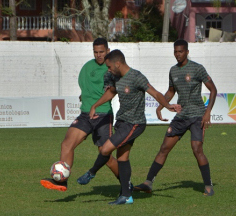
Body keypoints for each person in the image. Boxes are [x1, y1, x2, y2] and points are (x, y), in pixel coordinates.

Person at [77, 49, 181, 205]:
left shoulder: (136, 77)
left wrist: (167, 105)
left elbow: (155, 93)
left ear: (118, 63)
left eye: (110, 67)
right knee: (122, 158)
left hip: (134, 123)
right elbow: (111, 92)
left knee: (105, 149)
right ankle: (126, 196)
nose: (108, 70)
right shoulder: (115, 77)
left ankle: (91, 173)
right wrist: (95, 105)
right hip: (122, 121)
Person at [133, 39, 217, 196]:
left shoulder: (198, 69)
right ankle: (148, 183)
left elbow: (213, 89)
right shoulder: (173, 70)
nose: (177, 54)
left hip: (197, 115)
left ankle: (208, 185)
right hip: (181, 116)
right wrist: (161, 106)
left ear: (187, 52)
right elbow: (171, 91)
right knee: (164, 148)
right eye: (175, 51)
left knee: (197, 148)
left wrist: (207, 112)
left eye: (181, 51)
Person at [40, 38, 120, 192]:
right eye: (95, 52)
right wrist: (85, 96)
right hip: (85, 114)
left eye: (102, 52)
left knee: (106, 157)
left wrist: (96, 104)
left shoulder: (112, 69)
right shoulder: (87, 67)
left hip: (103, 115)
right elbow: (87, 88)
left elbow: (113, 91)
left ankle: (126, 185)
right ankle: (62, 182)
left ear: (108, 51)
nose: (98, 55)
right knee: (66, 144)